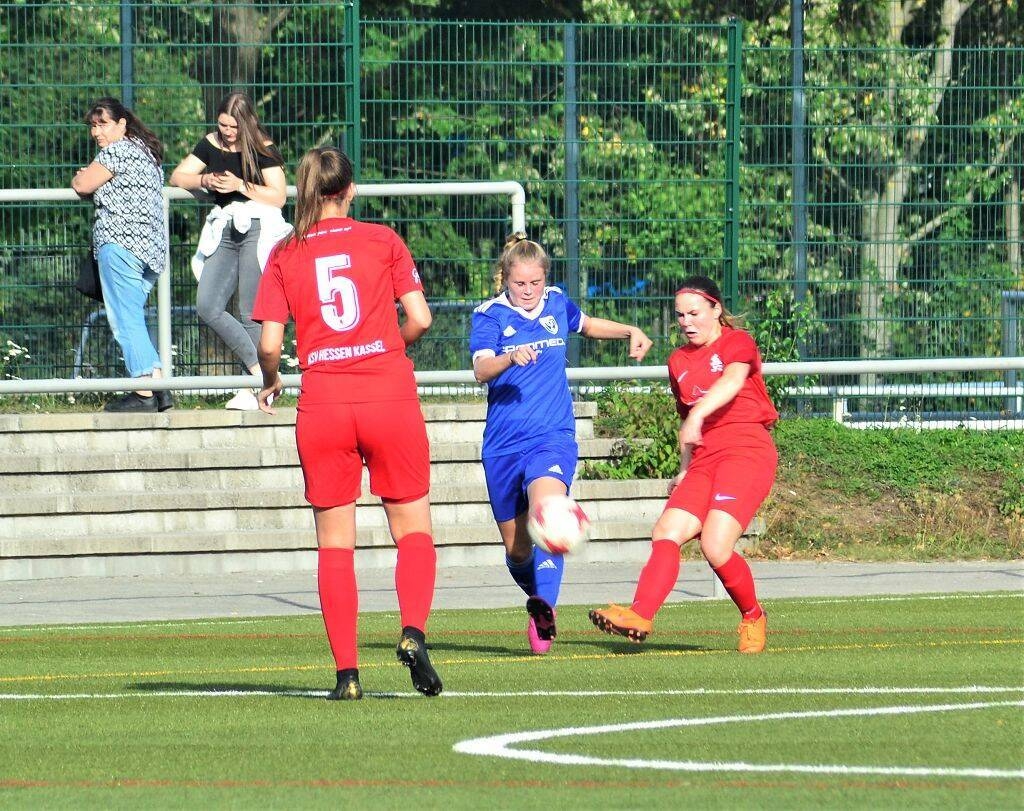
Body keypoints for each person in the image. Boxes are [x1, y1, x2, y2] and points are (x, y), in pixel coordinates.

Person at [252, 146, 442, 701]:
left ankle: (347, 676)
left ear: (306, 191)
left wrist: (271, 379)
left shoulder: (286, 252)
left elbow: (269, 345)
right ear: (350, 190)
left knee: (335, 545)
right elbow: (421, 318)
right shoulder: (383, 240)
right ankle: (412, 632)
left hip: (325, 403)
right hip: (388, 395)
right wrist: (386, 348)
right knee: (413, 530)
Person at [469, 234, 653, 655]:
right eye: (520, 283)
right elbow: (480, 370)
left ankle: (544, 610)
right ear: (505, 279)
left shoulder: (555, 302)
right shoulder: (490, 316)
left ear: (545, 278)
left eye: (535, 282)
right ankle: (539, 597)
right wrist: (509, 357)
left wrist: (629, 330)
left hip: (552, 437)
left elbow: (586, 324)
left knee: (549, 513)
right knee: (518, 550)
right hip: (502, 445)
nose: (528, 291)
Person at [589, 275, 779, 654]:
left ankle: (753, 616)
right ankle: (640, 614)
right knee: (667, 531)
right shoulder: (678, 361)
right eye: (680, 315)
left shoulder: (737, 342)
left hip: (747, 450)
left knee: (715, 546)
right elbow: (686, 424)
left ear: (716, 309)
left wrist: (699, 414)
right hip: (705, 458)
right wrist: (683, 468)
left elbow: (733, 380)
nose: (686, 322)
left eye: (694, 313)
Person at [169, 91, 291, 410]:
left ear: (247, 123)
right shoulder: (211, 143)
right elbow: (178, 176)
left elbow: (278, 196)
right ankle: (263, 375)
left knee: (250, 311)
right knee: (207, 305)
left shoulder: (262, 147)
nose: (227, 132)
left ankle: (259, 387)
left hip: (257, 228)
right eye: (223, 125)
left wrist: (240, 185)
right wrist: (205, 179)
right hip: (224, 228)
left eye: (233, 127)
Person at [72, 97, 172, 413]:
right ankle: (159, 388)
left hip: (120, 246)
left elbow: (83, 184)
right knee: (133, 317)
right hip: (150, 250)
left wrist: (80, 176)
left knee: (124, 321)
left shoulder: (116, 152)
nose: (96, 132)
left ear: (121, 124)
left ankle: (143, 392)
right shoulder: (146, 152)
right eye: (93, 125)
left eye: (102, 124)